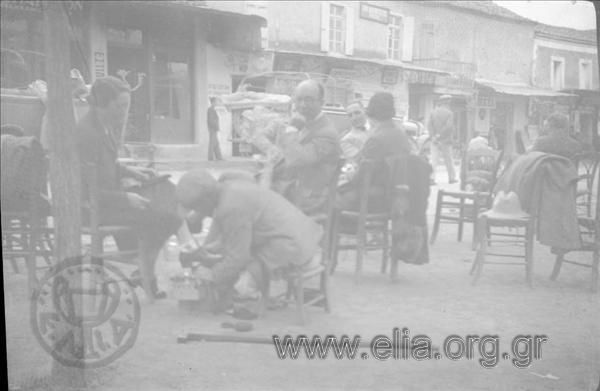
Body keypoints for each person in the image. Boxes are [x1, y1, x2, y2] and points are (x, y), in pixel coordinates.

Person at [77, 76, 189, 299]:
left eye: (127, 106)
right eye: (120, 106)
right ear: (102, 103)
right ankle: (144, 273)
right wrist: (126, 198)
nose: (124, 112)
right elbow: (85, 189)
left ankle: (143, 271)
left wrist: (133, 172)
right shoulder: (87, 134)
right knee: (166, 217)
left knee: (167, 196)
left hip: (111, 199)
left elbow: (107, 167)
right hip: (95, 207)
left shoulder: (104, 126)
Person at [176, 169, 323, 309]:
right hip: (307, 240)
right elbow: (235, 236)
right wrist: (209, 250)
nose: (198, 212)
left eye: (197, 207)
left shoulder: (231, 207)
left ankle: (249, 299)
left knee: (241, 286)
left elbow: (238, 257)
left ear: (206, 199)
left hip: (295, 251)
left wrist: (211, 276)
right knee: (228, 261)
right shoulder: (231, 187)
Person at [270, 79, 341, 215]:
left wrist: (291, 129)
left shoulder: (326, 133)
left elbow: (296, 160)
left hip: (310, 198)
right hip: (294, 189)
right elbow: (283, 154)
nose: (302, 105)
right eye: (299, 100)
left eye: (309, 100)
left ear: (321, 103)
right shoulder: (306, 124)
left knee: (252, 202)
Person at [337, 91, 412, 212]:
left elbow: (361, 177)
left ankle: (346, 229)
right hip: (398, 196)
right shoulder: (401, 134)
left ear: (370, 114)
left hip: (374, 199)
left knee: (333, 198)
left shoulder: (376, 139)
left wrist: (350, 176)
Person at [428, 95, 457, 184]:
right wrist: (439, 135)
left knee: (434, 159)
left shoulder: (433, 112)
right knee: (449, 160)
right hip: (445, 141)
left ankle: (431, 178)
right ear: (447, 103)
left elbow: (429, 126)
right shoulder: (449, 113)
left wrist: (433, 136)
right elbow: (449, 127)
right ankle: (451, 178)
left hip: (434, 141)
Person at [207, 96, 223, 161]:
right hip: (212, 129)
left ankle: (219, 157)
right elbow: (211, 120)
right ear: (213, 102)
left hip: (214, 129)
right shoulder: (210, 110)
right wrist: (216, 127)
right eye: (216, 102)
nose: (217, 103)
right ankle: (210, 158)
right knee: (212, 144)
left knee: (216, 143)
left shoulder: (213, 109)